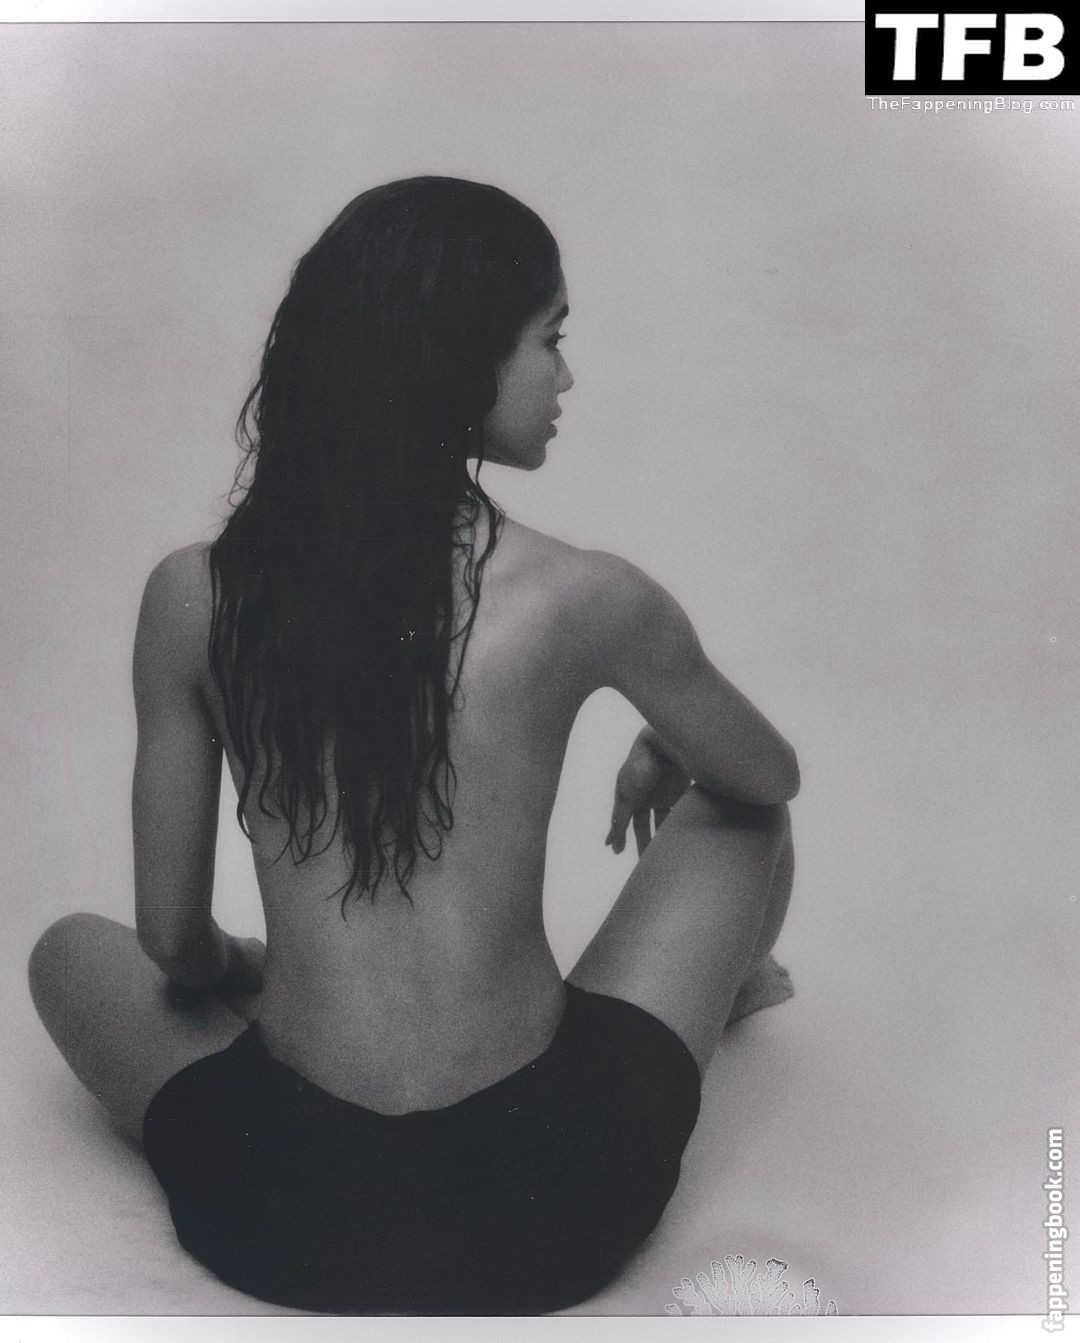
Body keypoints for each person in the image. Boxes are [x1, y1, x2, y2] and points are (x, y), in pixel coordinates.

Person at [28, 175, 800, 1316]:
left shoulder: (194, 596)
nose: (567, 377)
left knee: (63, 950)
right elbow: (769, 776)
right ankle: (720, 990)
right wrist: (665, 741)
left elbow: (170, 942)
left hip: (276, 1215)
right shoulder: (589, 596)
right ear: (460, 360)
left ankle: (306, 1001)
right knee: (747, 822)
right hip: (553, 1207)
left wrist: (241, 969)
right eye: (551, 340)